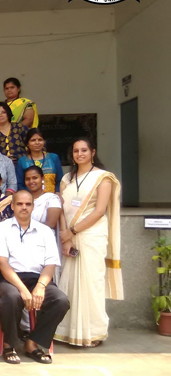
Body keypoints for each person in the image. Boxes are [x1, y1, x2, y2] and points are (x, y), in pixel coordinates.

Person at [0, 191, 70, 364]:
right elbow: (2, 263)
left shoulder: (45, 231)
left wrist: (40, 286)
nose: (24, 207)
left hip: (38, 278)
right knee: (12, 297)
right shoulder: (0, 228)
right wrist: (23, 289)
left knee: (61, 301)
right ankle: (9, 343)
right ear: (12, 206)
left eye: (28, 204)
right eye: (19, 204)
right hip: (10, 279)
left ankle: (33, 343)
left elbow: (50, 264)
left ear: (33, 207)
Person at [55, 138, 122, 347]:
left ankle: (92, 333)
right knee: (69, 284)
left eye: (84, 150)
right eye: (76, 151)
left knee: (91, 284)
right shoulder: (66, 178)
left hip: (91, 236)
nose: (80, 154)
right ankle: (68, 331)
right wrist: (65, 235)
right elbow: (61, 208)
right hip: (69, 237)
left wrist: (73, 231)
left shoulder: (103, 178)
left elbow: (100, 211)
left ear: (93, 152)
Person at [16, 128, 63, 192]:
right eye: (33, 140)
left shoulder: (53, 157)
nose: (37, 143)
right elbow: (20, 184)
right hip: (30, 197)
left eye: (40, 140)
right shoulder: (22, 161)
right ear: (27, 143)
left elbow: (60, 180)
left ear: (44, 142)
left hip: (52, 196)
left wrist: (58, 193)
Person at [25, 166, 61, 233]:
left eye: (35, 178)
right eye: (27, 179)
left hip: (45, 237)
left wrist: (28, 233)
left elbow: (51, 224)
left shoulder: (52, 199)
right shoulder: (23, 200)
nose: (31, 181)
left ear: (42, 178)